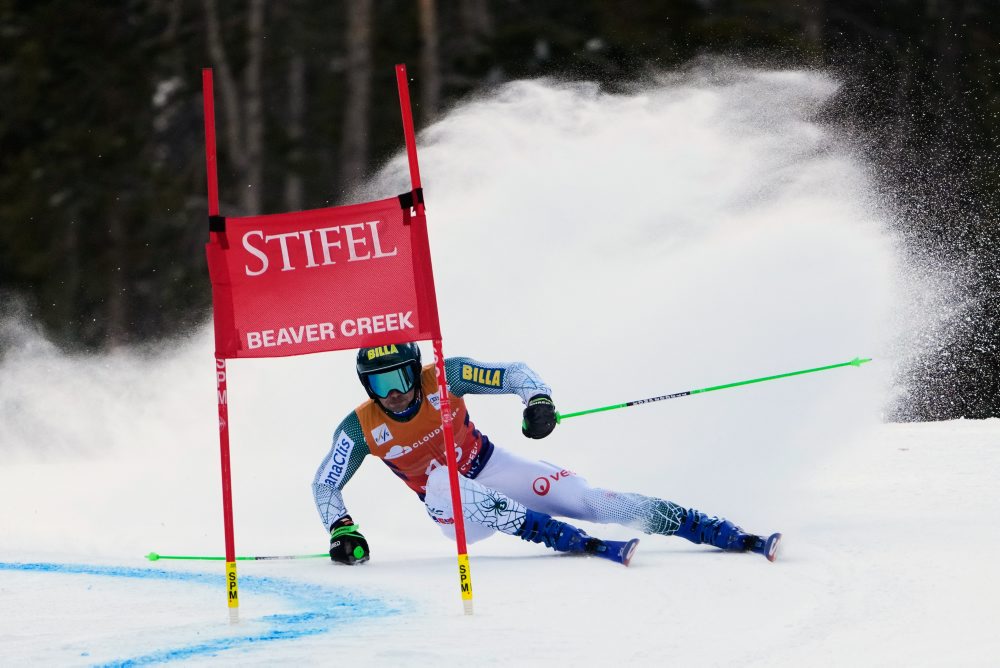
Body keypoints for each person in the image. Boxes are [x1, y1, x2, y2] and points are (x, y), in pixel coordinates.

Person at [312, 342, 781, 566]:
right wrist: (342, 529)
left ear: (415, 371)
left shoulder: (447, 377)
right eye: (379, 384)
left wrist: (537, 401)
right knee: (441, 481)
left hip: (493, 465)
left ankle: (718, 531)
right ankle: (570, 540)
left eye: (399, 378)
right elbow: (325, 482)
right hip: (454, 511)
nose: (392, 393)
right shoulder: (360, 428)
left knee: (592, 499)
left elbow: (513, 372)